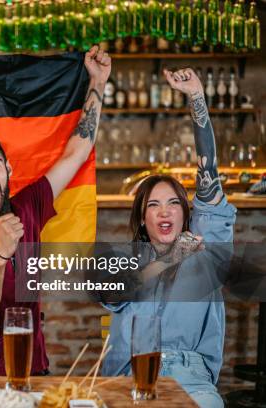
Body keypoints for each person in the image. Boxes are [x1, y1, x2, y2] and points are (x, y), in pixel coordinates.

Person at [0, 46, 112, 375]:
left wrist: (98, 82)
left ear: (9, 170)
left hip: (31, 372)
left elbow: (78, 151)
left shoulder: (29, 206)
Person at [101, 68, 236, 408]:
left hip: (189, 378)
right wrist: (169, 258)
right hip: (127, 377)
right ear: (143, 219)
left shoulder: (206, 250)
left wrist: (197, 98)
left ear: (185, 214)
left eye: (174, 203)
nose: (164, 212)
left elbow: (209, 174)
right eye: (154, 205)